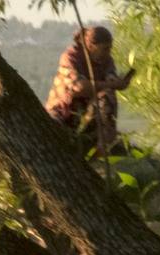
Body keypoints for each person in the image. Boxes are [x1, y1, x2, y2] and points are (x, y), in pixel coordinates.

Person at [45, 25, 134, 157]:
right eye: (105, 49)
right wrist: (112, 84)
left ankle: (104, 144)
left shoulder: (107, 61)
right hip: (62, 112)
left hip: (87, 115)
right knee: (50, 132)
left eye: (110, 48)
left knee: (108, 95)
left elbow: (110, 79)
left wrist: (120, 83)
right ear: (91, 46)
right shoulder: (71, 57)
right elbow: (79, 87)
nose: (108, 53)